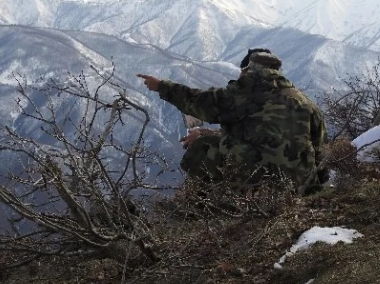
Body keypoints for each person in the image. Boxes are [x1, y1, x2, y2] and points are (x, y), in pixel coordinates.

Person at [137, 49, 327, 188]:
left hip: (254, 184)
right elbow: (321, 151)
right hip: (299, 186)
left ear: (248, 70)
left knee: (203, 147)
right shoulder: (306, 103)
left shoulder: (243, 95)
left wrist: (162, 86)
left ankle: (203, 209)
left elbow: (201, 102)